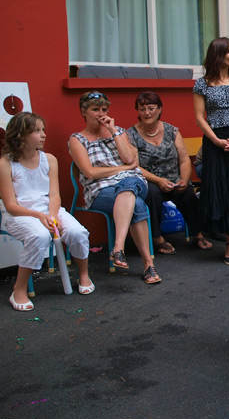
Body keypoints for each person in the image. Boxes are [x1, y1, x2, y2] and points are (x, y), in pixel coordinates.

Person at [1, 113, 93, 310]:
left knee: (77, 232)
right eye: (37, 131)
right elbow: (10, 205)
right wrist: (41, 217)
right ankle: (19, 290)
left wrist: (51, 215)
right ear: (21, 135)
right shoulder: (5, 163)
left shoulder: (49, 160)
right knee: (40, 236)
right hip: (20, 215)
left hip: (49, 210)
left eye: (43, 130)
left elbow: (54, 195)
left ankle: (83, 274)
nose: (43, 135)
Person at [68, 91, 160, 284]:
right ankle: (148, 265)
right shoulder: (77, 139)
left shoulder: (118, 131)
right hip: (100, 190)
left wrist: (113, 132)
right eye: (95, 110)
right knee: (138, 205)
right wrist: (124, 168)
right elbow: (90, 173)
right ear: (83, 112)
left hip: (132, 182)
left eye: (104, 109)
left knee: (128, 183)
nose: (101, 113)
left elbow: (129, 159)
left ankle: (118, 247)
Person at [127, 91, 212, 255]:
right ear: (137, 111)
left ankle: (197, 234)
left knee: (188, 194)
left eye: (151, 108)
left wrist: (184, 179)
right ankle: (157, 238)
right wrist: (158, 180)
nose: (147, 113)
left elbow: (184, 160)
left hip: (173, 179)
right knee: (152, 194)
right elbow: (134, 166)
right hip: (149, 181)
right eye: (142, 109)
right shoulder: (131, 135)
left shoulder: (171, 130)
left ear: (159, 109)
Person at [193, 37, 229, 265]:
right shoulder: (202, 84)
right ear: (219, 55)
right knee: (223, 191)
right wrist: (217, 141)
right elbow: (199, 117)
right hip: (215, 141)